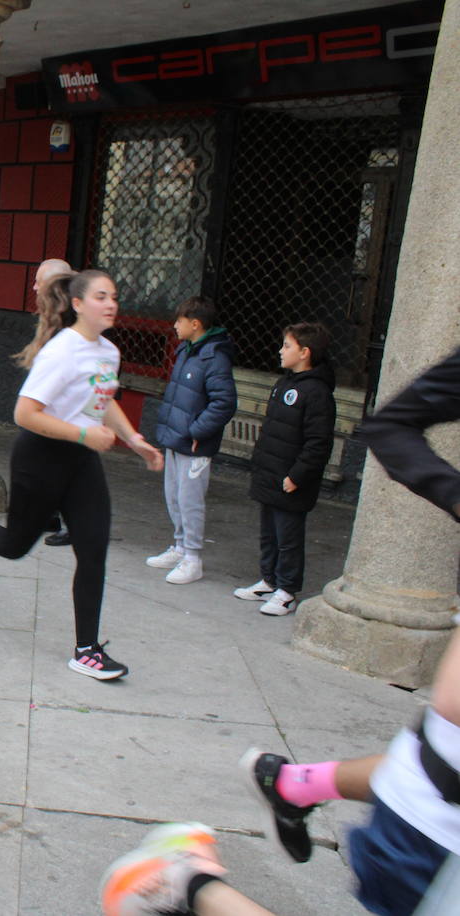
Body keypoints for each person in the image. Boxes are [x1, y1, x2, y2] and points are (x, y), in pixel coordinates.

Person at [101, 348, 460, 916]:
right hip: (432, 828)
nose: (280, 351)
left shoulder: (301, 387)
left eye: (289, 344)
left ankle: (289, 788)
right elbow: (392, 427)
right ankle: (184, 883)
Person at [0, 269, 162, 681]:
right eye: (101, 296)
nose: (111, 304)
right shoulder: (61, 351)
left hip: (81, 461)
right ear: (78, 304)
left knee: (93, 549)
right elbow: (24, 414)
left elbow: (103, 398)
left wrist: (134, 439)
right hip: (41, 457)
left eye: (114, 296)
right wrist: (83, 433)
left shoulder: (108, 351)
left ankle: (87, 650)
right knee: (14, 545)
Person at [233, 322, 335, 616]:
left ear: (305, 352)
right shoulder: (284, 384)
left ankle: (287, 591)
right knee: (269, 533)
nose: (281, 351)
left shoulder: (317, 392)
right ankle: (269, 580)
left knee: (288, 537)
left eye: (287, 346)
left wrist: (297, 476)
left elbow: (318, 443)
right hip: (270, 473)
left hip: (291, 480)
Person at [147, 296, 237, 585]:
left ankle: (193, 558)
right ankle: (180, 546)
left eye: (180, 320)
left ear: (195, 324)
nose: (175, 325)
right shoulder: (188, 351)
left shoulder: (214, 357)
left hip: (194, 443)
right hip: (177, 439)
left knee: (190, 501)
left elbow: (224, 402)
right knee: (174, 496)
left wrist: (198, 431)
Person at [34, 258, 75, 549]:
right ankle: (49, 514)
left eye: (38, 281)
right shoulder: (52, 315)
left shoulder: (72, 320)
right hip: (49, 410)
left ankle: (71, 524)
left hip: (67, 413)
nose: (34, 287)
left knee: (66, 470)